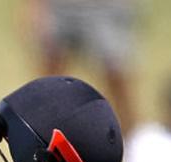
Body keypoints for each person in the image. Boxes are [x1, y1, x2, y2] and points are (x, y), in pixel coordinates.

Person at [23, 0, 139, 129]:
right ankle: (42, 136)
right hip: (58, 7)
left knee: (117, 76)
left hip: (106, 7)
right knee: (48, 83)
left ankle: (131, 140)